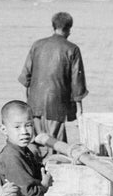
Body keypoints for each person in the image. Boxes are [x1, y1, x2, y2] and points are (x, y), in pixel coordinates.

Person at [18, 12, 88, 144]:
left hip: (34, 105)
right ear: (68, 29)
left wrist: (28, 104)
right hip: (57, 106)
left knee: (36, 145)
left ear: (53, 26)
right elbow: (77, 85)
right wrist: (79, 113)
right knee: (55, 145)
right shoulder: (72, 49)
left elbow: (25, 78)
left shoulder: (37, 45)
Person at [0, 100, 53, 196]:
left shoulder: (23, 150)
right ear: (4, 130)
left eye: (28, 125)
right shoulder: (11, 157)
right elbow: (27, 193)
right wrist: (44, 185)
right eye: (17, 127)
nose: (24, 132)